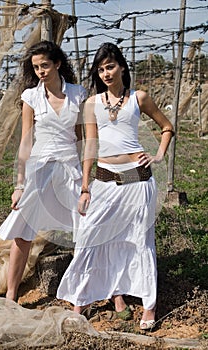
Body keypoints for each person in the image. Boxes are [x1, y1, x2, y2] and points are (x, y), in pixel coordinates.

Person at [56, 42, 174, 330]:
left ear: (121, 66)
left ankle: (149, 306)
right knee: (89, 240)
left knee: (139, 241)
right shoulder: (92, 104)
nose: (106, 73)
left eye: (110, 66)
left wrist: (157, 155)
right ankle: (80, 301)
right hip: (105, 181)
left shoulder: (139, 98)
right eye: (101, 69)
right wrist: (85, 187)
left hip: (137, 180)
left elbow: (167, 126)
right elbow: (90, 148)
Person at [0, 40, 86, 301]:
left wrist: (85, 178)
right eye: (36, 67)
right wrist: (19, 184)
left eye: (45, 65)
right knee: (23, 231)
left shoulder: (78, 94)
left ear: (57, 63)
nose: (40, 71)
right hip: (39, 168)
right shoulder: (31, 97)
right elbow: (26, 141)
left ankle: (83, 294)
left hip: (70, 167)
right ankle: (11, 295)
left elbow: (81, 138)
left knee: (85, 228)